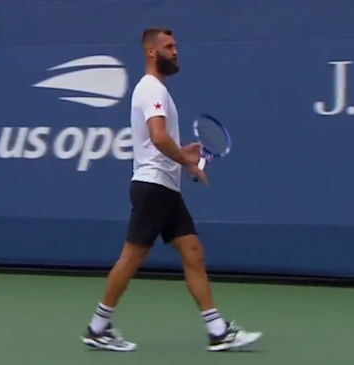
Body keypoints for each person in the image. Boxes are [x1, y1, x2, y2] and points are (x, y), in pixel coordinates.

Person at [81, 26, 262, 352]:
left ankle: (217, 331)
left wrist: (184, 154)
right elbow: (159, 138)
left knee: (193, 252)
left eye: (176, 46)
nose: (175, 51)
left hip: (164, 188)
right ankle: (98, 327)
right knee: (132, 258)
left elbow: (163, 141)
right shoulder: (151, 89)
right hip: (153, 187)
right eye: (168, 46)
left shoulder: (157, 90)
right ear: (151, 52)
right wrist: (188, 162)